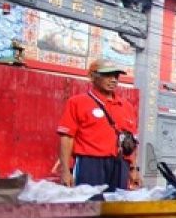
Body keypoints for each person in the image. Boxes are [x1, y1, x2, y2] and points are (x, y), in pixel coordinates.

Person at [57, 59, 140, 191]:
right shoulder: (78, 103)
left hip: (120, 165)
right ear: (93, 77)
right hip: (90, 164)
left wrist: (133, 169)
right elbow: (67, 137)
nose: (113, 80)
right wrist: (65, 170)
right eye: (107, 75)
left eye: (116, 76)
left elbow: (132, 141)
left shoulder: (127, 106)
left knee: (117, 206)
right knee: (91, 205)